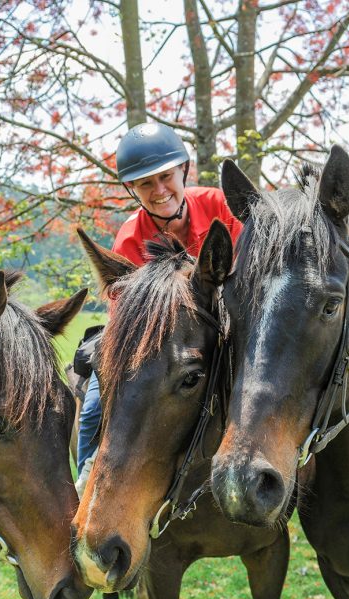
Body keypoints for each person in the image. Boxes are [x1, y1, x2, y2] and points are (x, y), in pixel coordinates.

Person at [74, 122, 243, 494]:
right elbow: (131, 321)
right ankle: (88, 476)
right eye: (145, 184)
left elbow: (250, 272)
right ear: (132, 190)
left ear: (183, 170)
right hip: (167, 340)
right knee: (92, 406)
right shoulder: (130, 239)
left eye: (165, 176)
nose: (159, 191)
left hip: (229, 324)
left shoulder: (219, 205)